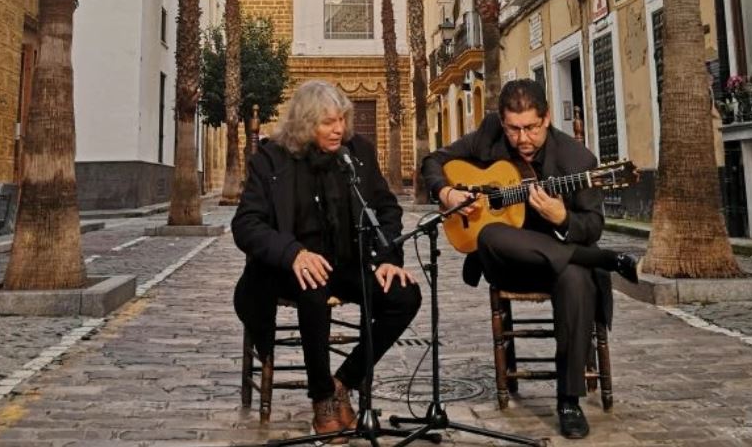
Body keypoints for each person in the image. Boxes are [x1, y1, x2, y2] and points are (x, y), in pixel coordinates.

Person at [420, 79, 637, 440]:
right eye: (514, 129)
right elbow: (433, 161)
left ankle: (569, 401)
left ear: (547, 118)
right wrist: (446, 191)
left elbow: (593, 224)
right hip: (509, 263)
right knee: (489, 234)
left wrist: (561, 218)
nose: (522, 138)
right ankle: (604, 260)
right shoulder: (489, 134)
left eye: (531, 128)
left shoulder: (577, 161)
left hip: (559, 266)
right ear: (502, 123)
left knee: (577, 279)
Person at [232, 80, 421, 441]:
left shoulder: (357, 152)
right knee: (313, 285)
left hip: (347, 262)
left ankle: (342, 382)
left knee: (405, 295)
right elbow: (246, 224)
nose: (338, 129)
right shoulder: (270, 159)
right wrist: (293, 254)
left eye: (341, 120)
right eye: (327, 123)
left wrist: (387, 257)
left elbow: (385, 207)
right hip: (287, 268)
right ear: (305, 124)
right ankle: (321, 397)